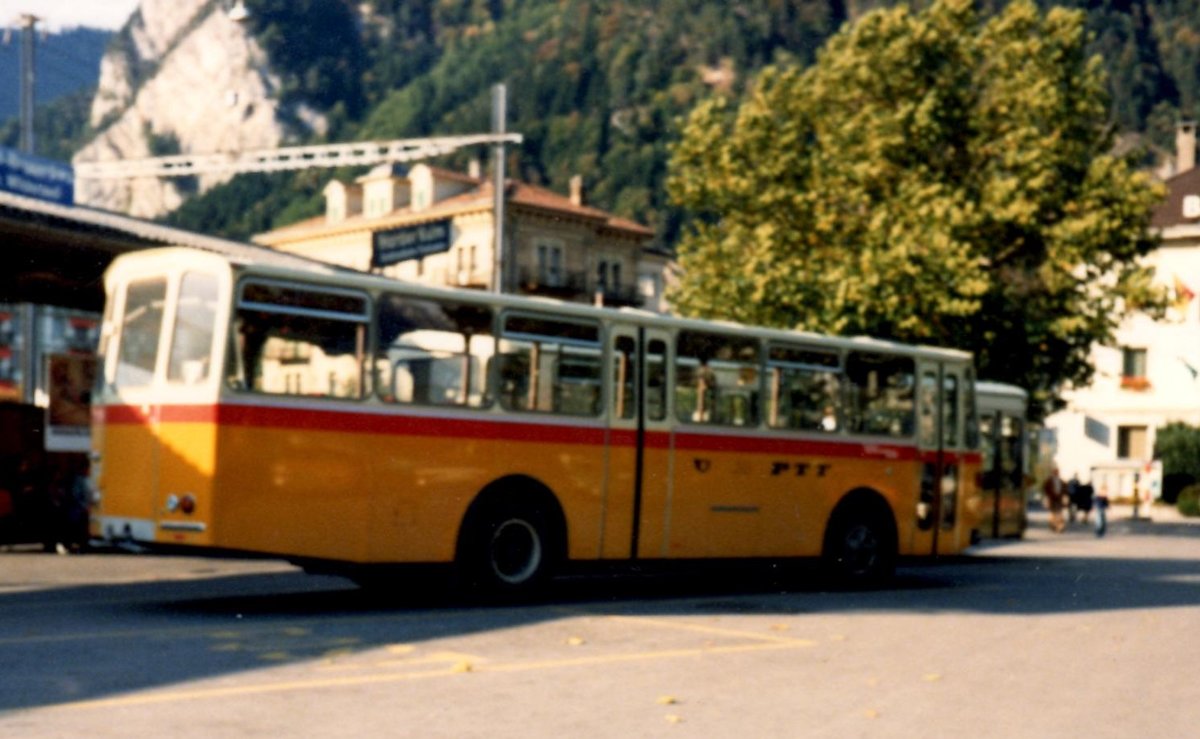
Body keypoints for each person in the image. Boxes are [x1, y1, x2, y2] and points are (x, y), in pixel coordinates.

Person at [1043, 468, 1066, 533]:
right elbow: (1046, 490)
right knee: (1053, 514)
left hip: (1059, 499)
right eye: (1055, 472)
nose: (1057, 473)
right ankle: (1053, 525)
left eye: (1057, 472)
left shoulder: (1061, 481)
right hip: (1052, 499)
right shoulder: (1049, 481)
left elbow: (1064, 490)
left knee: (1059, 513)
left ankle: (1060, 527)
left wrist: (1064, 497)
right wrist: (1048, 497)